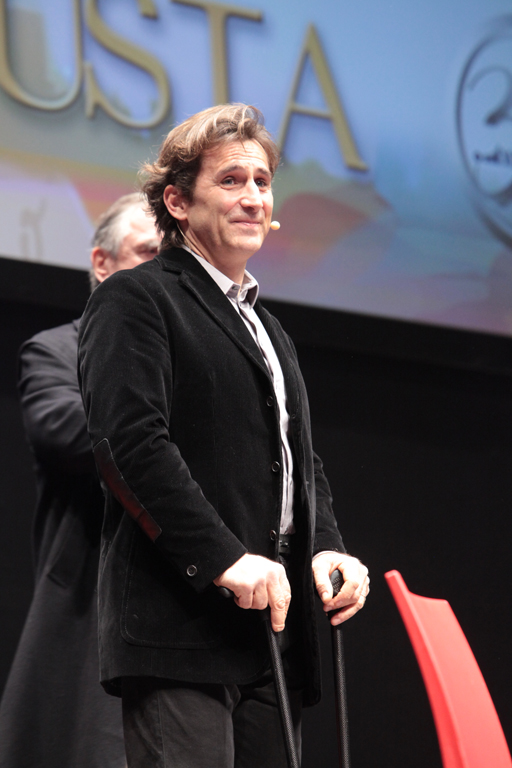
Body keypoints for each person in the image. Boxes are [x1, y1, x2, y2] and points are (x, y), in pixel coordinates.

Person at [78, 104, 369, 768]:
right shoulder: (136, 298)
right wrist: (223, 559)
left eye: (262, 182)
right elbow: (129, 445)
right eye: (231, 180)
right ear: (178, 202)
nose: (253, 197)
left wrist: (327, 546)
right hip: (180, 630)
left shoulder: (269, 329)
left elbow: (298, 459)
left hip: (272, 638)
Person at [0, 194, 161, 768]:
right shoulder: (56, 351)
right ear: (101, 263)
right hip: (89, 614)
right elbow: (63, 432)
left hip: (187, 615)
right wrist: (161, 428)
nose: (165, 269)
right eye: (148, 252)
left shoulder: (201, 360)